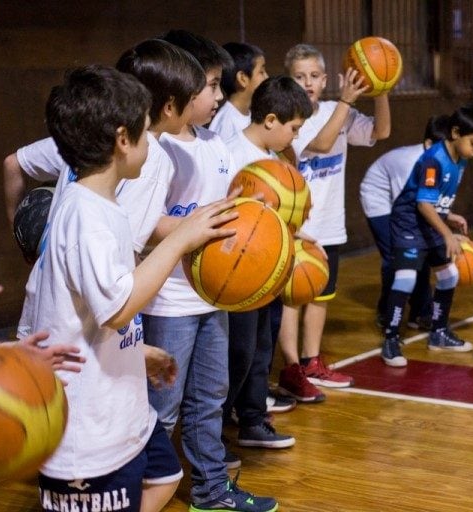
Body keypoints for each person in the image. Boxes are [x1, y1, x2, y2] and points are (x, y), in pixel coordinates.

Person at [19, 64, 237, 512]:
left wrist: (137, 352)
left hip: (125, 415)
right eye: (144, 133)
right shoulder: (84, 215)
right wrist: (179, 241)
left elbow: (86, 314)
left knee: (165, 476)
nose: (150, 142)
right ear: (123, 139)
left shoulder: (106, 206)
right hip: (86, 431)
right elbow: (118, 307)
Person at [143, 30, 277, 512]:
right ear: (178, 91)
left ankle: (211, 490)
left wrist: (249, 211)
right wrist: (192, 229)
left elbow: (219, 209)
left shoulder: (215, 144)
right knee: (163, 407)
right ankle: (138, 491)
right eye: (212, 86)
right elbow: (143, 224)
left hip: (212, 294)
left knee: (210, 399)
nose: (220, 96)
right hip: (167, 299)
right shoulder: (156, 150)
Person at [3, 38, 204, 258]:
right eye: (193, 98)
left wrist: (20, 231)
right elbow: (122, 258)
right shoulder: (153, 158)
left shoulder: (92, 133)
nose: (194, 105)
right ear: (169, 107)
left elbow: (12, 161)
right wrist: (184, 237)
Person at [277, 43, 390, 401]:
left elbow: (380, 132)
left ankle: (311, 361)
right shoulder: (291, 117)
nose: (308, 82)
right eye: (299, 76)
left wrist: (382, 89)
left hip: (330, 224)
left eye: (313, 76)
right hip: (298, 228)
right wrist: (345, 102)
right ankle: (291, 368)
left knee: (321, 296)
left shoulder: (334, 108)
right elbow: (323, 144)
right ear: (290, 80)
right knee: (293, 299)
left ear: (325, 79)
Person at [221, 75, 312, 451]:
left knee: (261, 348)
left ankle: (254, 419)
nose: (295, 136)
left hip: (267, 272)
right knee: (238, 353)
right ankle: (223, 423)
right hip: (237, 275)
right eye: (293, 128)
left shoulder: (276, 160)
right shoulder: (229, 155)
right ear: (271, 120)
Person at [380, 104, 473, 367]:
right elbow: (422, 204)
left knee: (449, 275)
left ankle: (439, 333)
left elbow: (434, 200)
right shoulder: (433, 160)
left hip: (430, 222)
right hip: (409, 224)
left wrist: (448, 215)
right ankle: (391, 339)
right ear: (455, 133)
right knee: (406, 279)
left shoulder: (460, 160)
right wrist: (448, 235)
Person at [360, 115, 450, 331]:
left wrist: (449, 216)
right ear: (429, 144)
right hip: (379, 199)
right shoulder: (411, 164)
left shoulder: (440, 162)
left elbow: (431, 200)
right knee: (397, 256)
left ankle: (419, 313)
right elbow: (412, 205)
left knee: (420, 252)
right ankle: (386, 313)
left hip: (402, 202)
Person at [210, 42, 268, 142]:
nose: (266, 77)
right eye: (261, 72)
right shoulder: (226, 123)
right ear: (243, 79)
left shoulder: (250, 115)